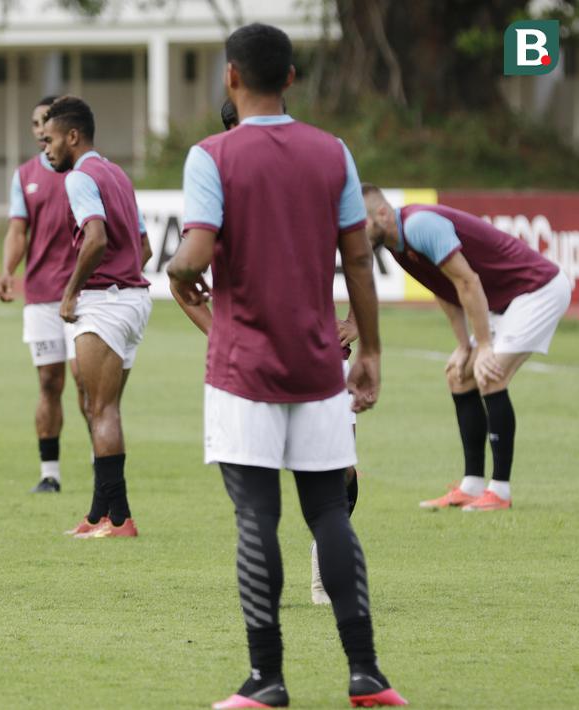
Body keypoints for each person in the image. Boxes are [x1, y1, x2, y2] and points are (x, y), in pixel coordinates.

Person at [169, 24, 406, 708]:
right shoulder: (331, 152)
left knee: (255, 518)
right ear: (292, 78)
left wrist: (177, 270)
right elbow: (358, 258)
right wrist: (371, 351)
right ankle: (366, 674)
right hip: (316, 366)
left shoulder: (210, 155)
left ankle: (265, 680)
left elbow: (195, 251)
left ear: (230, 78)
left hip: (243, 366)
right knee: (330, 513)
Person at [216, 99, 361, 606]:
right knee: (258, 487)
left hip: (319, 353)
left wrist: (359, 326)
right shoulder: (218, 175)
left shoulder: (317, 162)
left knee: (339, 473)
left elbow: (359, 253)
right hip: (251, 360)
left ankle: (324, 579)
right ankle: (268, 609)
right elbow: (195, 276)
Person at [363, 185, 572, 511]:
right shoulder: (396, 245)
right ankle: (472, 485)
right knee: (458, 375)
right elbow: (442, 287)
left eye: (357, 222)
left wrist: (484, 346)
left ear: (381, 214)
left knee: (489, 373)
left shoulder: (420, 225)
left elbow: (467, 282)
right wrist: (464, 345)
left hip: (537, 289)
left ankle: (500, 492)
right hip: (504, 302)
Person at [41, 96, 153, 539]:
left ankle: (121, 520)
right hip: (130, 300)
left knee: (100, 409)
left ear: (73, 136)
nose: (46, 149)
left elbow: (96, 238)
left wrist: (71, 293)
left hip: (104, 302)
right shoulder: (117, 174)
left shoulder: (80, 177)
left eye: (50, 140)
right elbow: (142, 246)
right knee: (98, 406)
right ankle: (99, 515)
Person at [0, 95, 88, 493]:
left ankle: (102, 462)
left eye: (45, 122)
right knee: (49, 383)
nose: (39, 130)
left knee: (87, 381)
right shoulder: (25, 175)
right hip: (42, 297)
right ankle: (50, 473)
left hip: (86, 296)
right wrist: (7, 270)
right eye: (35, 123)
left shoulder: (84, 173)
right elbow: (18, 230)